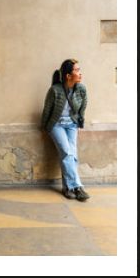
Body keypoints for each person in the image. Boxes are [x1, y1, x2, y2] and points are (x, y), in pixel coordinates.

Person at [41, 59, 90, 201]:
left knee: (72, 155)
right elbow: (47, 110)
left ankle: (68, 188)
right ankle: (78, 187)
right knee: (67, 153)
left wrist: (79, 121)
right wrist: (45, 127)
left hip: (72, 125)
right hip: (56, 125)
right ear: (68, 75)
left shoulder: (81, 89)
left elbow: (82, 109)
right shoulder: (55, 90)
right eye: (77, 70)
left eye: (79, 70)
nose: (80, 73)